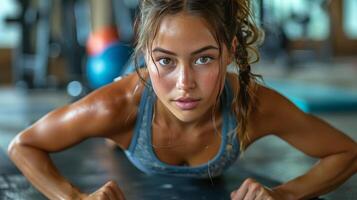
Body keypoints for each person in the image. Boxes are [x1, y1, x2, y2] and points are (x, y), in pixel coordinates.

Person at [8, 0, 357, 199]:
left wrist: (282, 196)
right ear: (148, 56)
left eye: (204, 58)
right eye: (166, 60)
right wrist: (73, 199)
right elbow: (22, 146)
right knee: (114, 134)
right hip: (136, 93)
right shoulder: (116, 107)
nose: (185, 84)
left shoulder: (253, 105)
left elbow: (347, 152)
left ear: (230, 52)